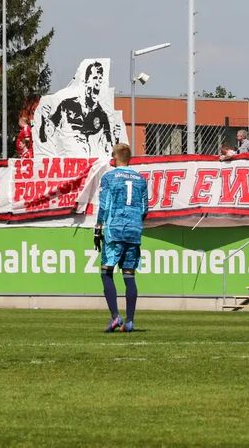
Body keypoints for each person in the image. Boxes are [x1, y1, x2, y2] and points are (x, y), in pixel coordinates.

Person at [96, 143, 149, 333]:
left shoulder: (109, 177)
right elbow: (145, 209)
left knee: (106, 272)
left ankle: (115, 317)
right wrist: (134, 222)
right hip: (134, 231)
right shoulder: (141, 179)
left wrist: (98, 228)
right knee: (129, 275)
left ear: (115, 157)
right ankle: (130, 321)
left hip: (115, 229)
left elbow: (104, 205)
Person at [39, 61, 113, 155]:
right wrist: (44, 119)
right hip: (68, 162)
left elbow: (109, 147)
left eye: (100, 79)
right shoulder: (66, 105)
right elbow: (48, 134)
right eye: (95, 78)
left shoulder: (102, 115)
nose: (98, 83)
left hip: (88, 165)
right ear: (85, 82)